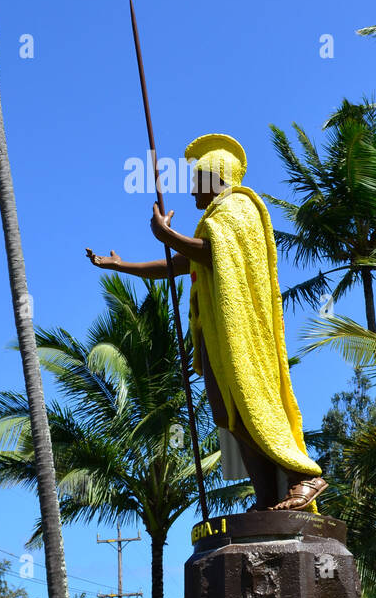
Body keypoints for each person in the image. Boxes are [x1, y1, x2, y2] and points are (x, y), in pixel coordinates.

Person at [87, 132, 326, 512]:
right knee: (229, 414)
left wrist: (167, 234)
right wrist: (123, 265)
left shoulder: (238, 208)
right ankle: (266, 498)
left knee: (253, 402)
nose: (193, 192)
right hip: (215, 338)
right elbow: (178, 264)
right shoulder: (212, 222)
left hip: (241, 336)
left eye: (197, 182)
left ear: (217, 178)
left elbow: (214, 253)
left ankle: (303, 475)